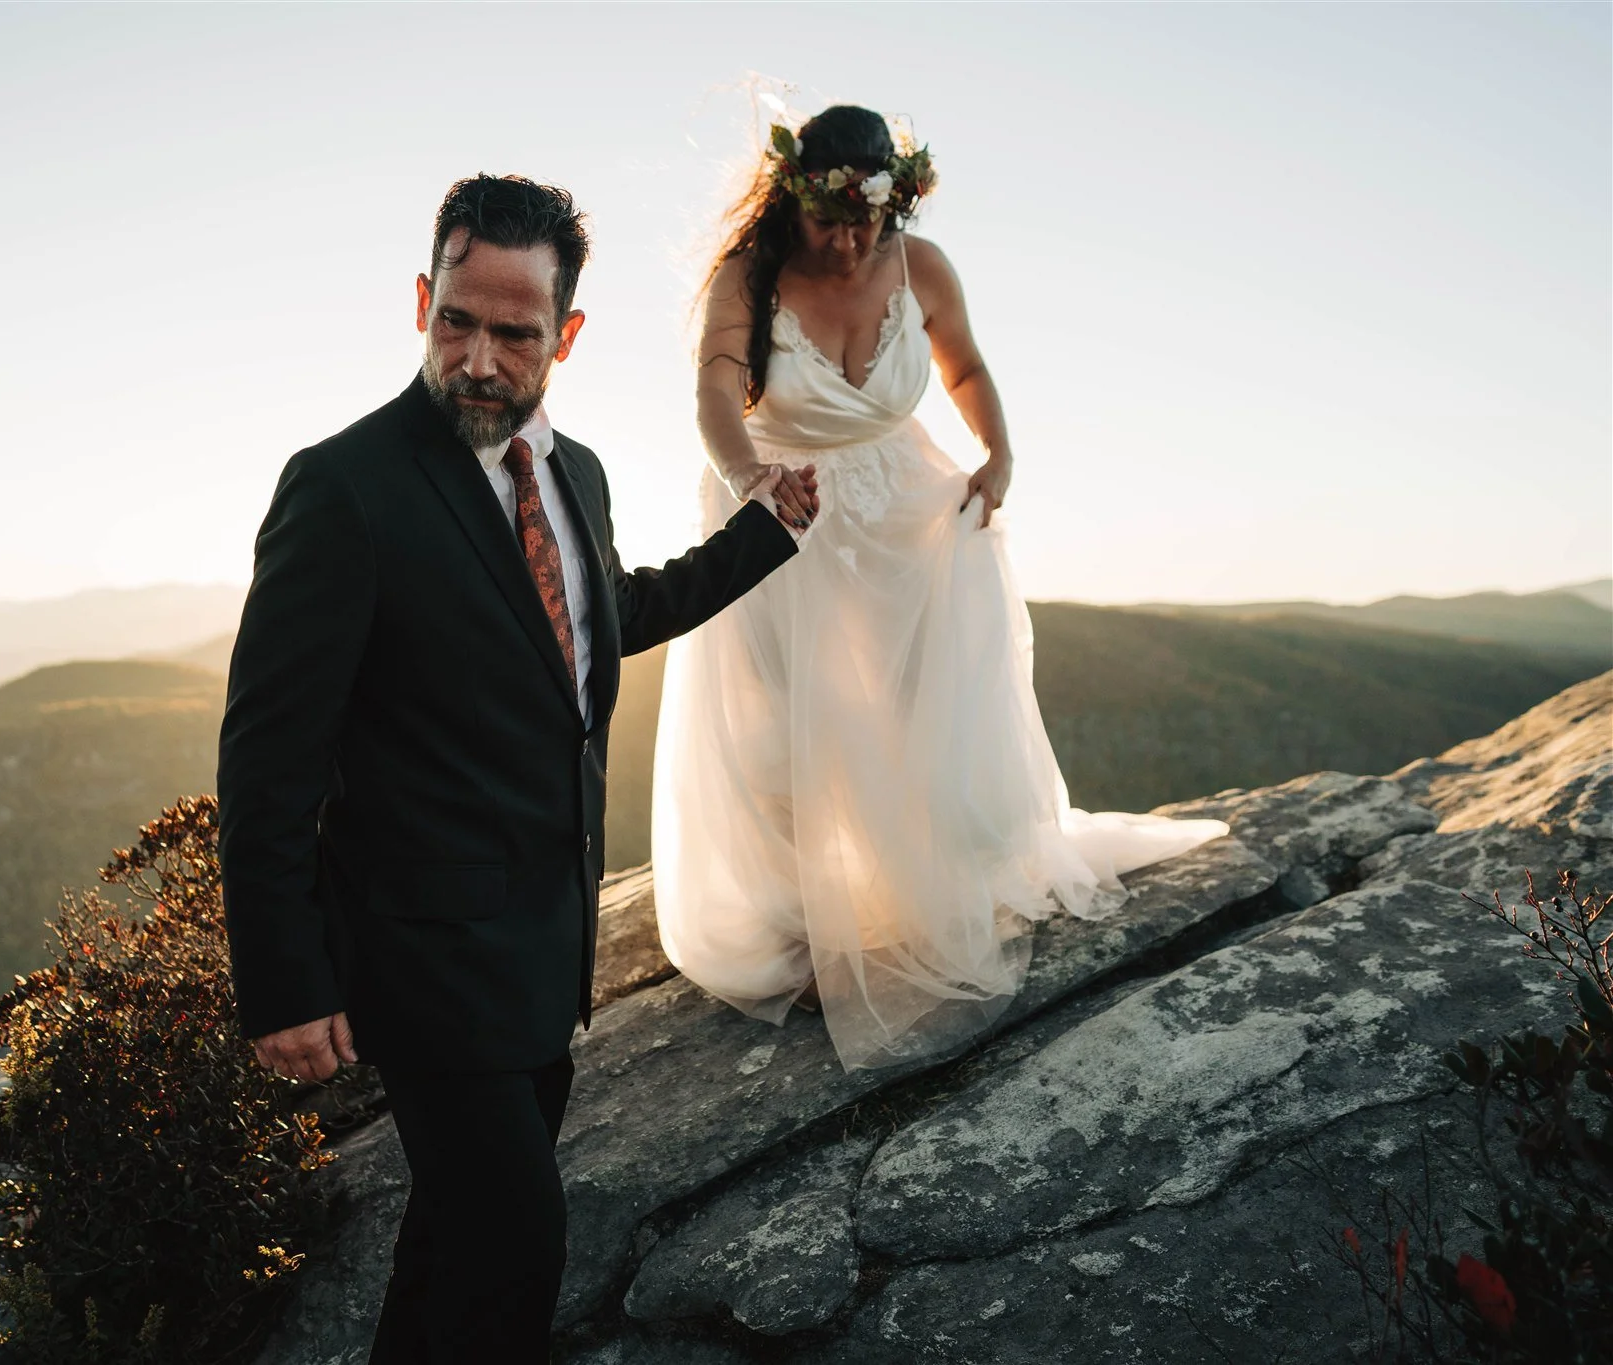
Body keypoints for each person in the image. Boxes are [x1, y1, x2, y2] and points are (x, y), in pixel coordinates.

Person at [215, 174, 815, 1364]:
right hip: (423, 953)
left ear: (566, 336)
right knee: (517, 1240)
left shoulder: (574, 475)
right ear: (422, 302)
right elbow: (266, 753)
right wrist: (283, 979)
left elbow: (589, 627)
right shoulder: (342, 487)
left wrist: (765, 538)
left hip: (544, 946)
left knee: (452, 1241)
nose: (477, 360)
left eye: (513, 333)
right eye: (455, 320)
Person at [651, 104, 1230, 1074]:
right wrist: (753, 480)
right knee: (775, 726)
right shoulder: (744, 280)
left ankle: (922, 890)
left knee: (922, 703)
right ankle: (795, 930)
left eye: (867, 220)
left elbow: (961, 366)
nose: (848, 240)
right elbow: (714, 394)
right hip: (777, 505)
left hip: (898, 507)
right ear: (792, 199)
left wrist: (997, 454)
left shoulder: (920, 268)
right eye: (831, 219)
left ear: (896, 203)